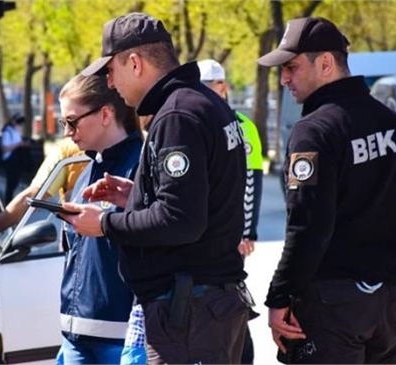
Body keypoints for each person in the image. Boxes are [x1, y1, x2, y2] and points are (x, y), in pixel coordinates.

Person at [61, 12, 252, 364]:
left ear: (134, 63)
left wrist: (103, 224)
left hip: (190, 314)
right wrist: (135, 195)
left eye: (110, 72)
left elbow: (181, 221)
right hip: (205, 308)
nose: (111, 84)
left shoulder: (177, 115)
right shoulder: (205, 104)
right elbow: (197, 200)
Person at [257, 17, 396, 363]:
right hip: (389, 303)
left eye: (291, 67)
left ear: (325, 63)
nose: (284, 79)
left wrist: (279, 297)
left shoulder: (315, 131)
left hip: (333, 305)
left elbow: (308, 227)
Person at [56, 73, 143, 364]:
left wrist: (107, 224)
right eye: (63, 123)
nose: (67, 132)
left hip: (123, 338)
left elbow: (160, 233)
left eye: (71, 121)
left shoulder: (141, 166)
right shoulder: (86, 170)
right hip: (75, 338)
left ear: (105, 114)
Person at [198, 58, 263, 364]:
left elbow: (251, 182)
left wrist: (246, 231)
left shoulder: (242, 126)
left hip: (231, 231)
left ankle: (243, 355)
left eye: (208, 87)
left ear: (222, 87)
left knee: (230, 298)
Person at [0, 137, 85, 242]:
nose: (68, 131)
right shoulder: (71, 150)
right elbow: (33, 196)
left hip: (79, 239)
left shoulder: (69, 150)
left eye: (72, 122)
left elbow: (33, 196)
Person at [1, 112, 32, 204]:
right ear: (13, 121)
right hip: (10, 162)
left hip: (17, 162)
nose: (20, 124)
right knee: (11, 183)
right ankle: (8, 202)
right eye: (18, 121)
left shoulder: (16, 131)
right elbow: (5, 148)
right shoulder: (7, 132)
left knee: (15, 183)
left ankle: (10, 201)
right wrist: (18, 144)